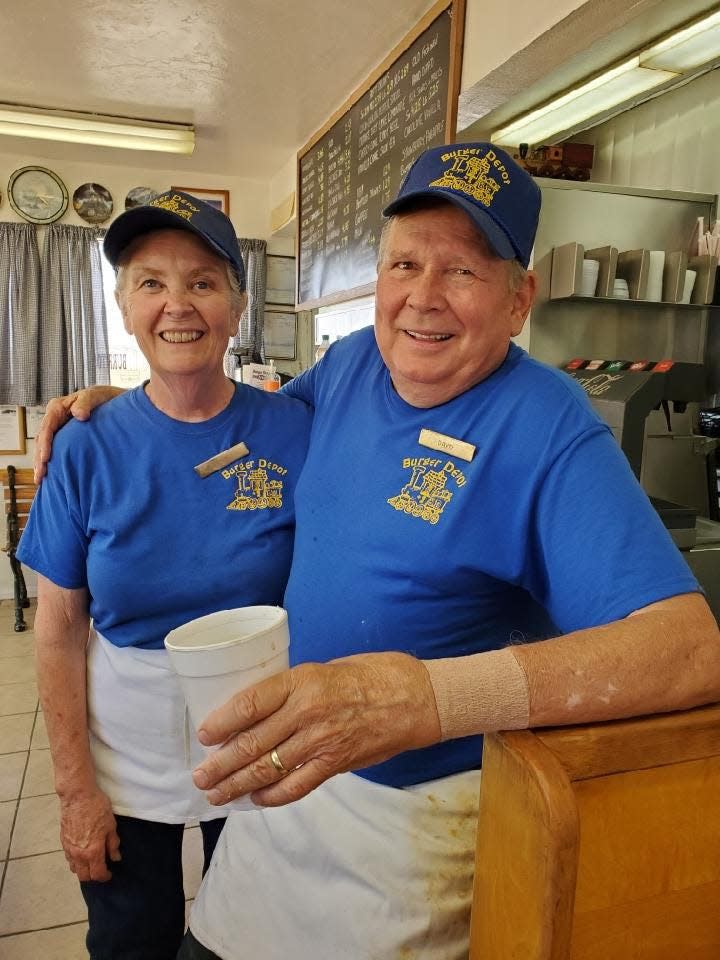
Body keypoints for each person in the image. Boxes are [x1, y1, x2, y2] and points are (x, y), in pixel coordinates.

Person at [35, 146, 720, 960]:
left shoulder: (549, 424)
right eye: (404, 263)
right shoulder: (356, 361)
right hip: (289, 795)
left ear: (517, 298)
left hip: (412, 832)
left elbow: (687, 649)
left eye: (461, 270)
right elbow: (240, 428)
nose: (422, 300)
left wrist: (426, 698)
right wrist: (141, 401)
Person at [18, 192, 312, 960]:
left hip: (260, 741)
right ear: (121, 307)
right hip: (123, 755)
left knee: (251, 939)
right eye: (151, 283)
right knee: (129, 941)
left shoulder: (294, 428)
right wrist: (76, 792)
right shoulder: (86, 445)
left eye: (203, 282)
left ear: (237, 304)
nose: (176, 305)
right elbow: (55, 633)